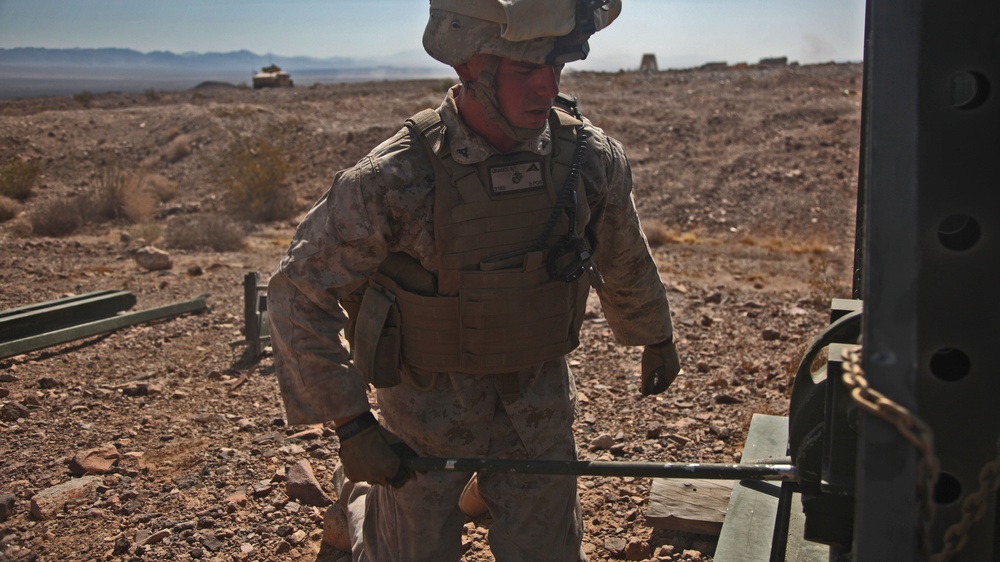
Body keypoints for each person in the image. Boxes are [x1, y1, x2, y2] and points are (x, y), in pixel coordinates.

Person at [267, 0, 681, 560]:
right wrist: (352, 425)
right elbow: (298, 290)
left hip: (536, 408)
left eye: (554, 69)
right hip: (424, 418)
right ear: (469, 68)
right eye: (524, 71)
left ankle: (484, 494)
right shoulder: (396, 177)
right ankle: (360, 506)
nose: (545, 87)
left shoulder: (588, 158)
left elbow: (623, 252)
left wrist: (655, 335)